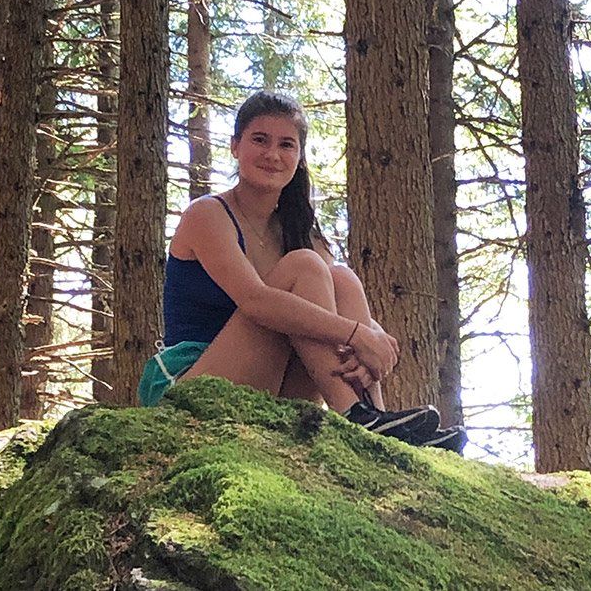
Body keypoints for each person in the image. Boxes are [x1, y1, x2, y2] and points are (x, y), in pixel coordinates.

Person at [145, 90, 465, 453]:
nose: (272, 155)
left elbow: (345, 307)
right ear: (235, 146)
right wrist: (358, 335)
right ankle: (356, 416)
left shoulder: (298, 229)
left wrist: (370, 348)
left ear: (298, 158)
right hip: (193, 386)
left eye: (286, 145)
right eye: (259, 140)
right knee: (305, 266)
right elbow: (256, 302)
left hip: (271, 387)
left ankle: (376, 418)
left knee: (340, 276)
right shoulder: (207, 215)